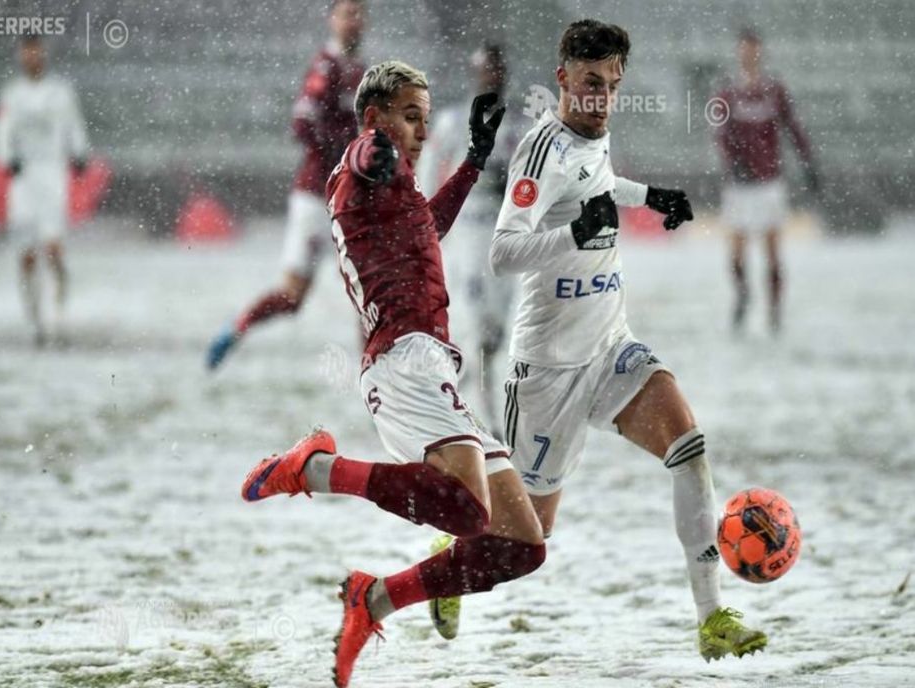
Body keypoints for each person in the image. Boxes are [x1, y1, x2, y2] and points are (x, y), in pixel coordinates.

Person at [435, 19, 767, 661]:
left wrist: (650, 195)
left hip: (611, 345)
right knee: (524, 542)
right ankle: (451, 558)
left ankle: (712, 615)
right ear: (562, 79)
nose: (602, 98)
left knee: (689, 447)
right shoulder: (538, 150)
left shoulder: (595, 136)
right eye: (591, 84)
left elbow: (597, 187)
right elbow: (503, 252)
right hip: (547, 372)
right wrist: (573, 236)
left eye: (613, 86)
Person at [239, 61, 546, 687]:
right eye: (410, 119)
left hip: (431, 365)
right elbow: (361, 156)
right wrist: (377, 146)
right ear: (376, 118)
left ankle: (375, 599)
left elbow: (426, 228)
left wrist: (475, 159)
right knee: (465, 511)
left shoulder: (394, 195)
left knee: (521, 544)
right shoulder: (363, 164)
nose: (419, 133)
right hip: (402, 364)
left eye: (425, 122)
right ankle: (313, 469)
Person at [206, 0, 366, 369]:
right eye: (346, 14)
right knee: (293, 298)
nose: (353, 21)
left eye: (359, 14)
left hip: (351, 201)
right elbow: (302, 126)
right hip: (315, 198)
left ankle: (375, 378)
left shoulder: (363, 72)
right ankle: (238, 326)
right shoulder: (325, 67)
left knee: (369, 292)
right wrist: (345, 152)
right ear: (333, 20)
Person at [416, 43, 526, 433]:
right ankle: (488, 423)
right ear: (474, 73)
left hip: (507, 236)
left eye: (497, 70)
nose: (492, 77)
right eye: (485, 70)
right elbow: (429, 171)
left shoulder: (520, 125)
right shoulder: (454, 121)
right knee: (478, 328)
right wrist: (428, 225)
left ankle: (446, 399)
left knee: (496, 333)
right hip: (470, 233)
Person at [715, 28, 818, 332]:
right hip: (739, 183)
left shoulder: (774, 90)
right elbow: (720, 134)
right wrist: (734, 162)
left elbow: (792, 127)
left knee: (772, 249)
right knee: (736, 249)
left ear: (760, 53)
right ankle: (743, 295)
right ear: (738, 53)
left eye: (753, 50)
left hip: (769, 180)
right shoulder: (728, 91)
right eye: (744, 50)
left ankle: (774, 311)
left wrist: (808, 163)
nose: (748, 55)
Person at [0, 34, 88, 346]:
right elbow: (2, 130)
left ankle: (59, 317)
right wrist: (6, 159)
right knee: (27, 256)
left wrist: (79, 152)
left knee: (54, 250)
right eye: (27, 53)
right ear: (21, 56)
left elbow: (74, 126)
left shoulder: (61, 92)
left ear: (43, 55)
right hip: (24, 179)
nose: (32, 58)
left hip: (52, 174)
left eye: (36, 52)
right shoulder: (13, 94)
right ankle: (35, 322)